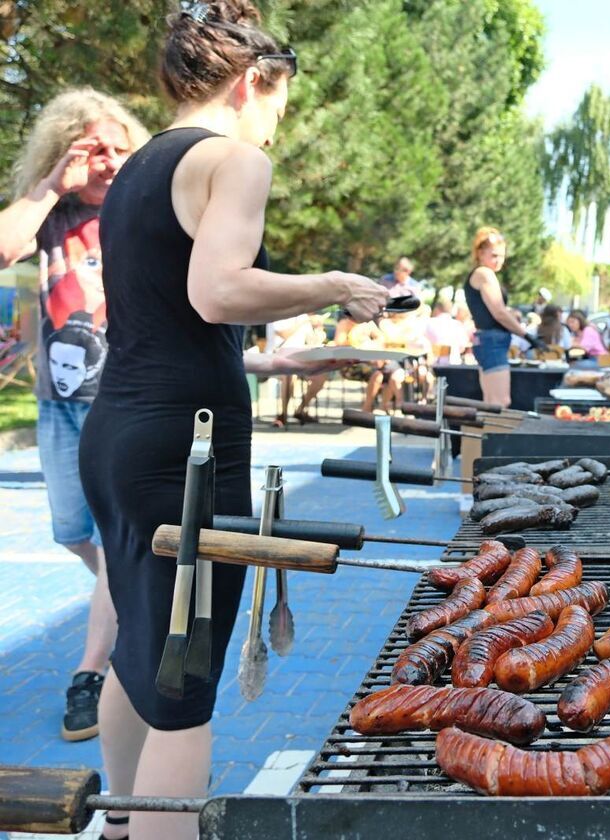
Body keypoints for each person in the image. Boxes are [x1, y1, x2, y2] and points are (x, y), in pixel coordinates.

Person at [79, 5, 389, 837]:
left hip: (117, 433)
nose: (275, 129)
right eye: (279, 106)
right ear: (253, 81)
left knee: (139, 648)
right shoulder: (233, 159)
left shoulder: (141, 164)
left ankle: (118, 824)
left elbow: (168, 323)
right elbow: (215, 291)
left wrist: (281, 363)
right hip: (183, 448)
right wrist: (332, 283)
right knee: (183, 683)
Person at [0, 88, 151, 743]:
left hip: (123, 398)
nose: (110, 161)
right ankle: (138, 596)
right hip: (58, 404)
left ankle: (90, 670)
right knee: (72, 532)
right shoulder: (49, 215)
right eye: (95, 151)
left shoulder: (140, 209)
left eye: (122, 149)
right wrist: (50, 181)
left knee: (116, 539)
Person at [464, 226, 543, 406]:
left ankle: (487, 434)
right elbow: (499, 312)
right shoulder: (485, 273)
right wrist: (527, 336)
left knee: (491, 401)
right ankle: (492, 434)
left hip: (488, 340)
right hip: (492, 341)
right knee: (499, 402)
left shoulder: (482, 274)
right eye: (494, 255)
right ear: (480, 253)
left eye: (501, 255)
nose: (499, 260)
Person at [426, 298, 468, 363]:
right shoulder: (458, 325)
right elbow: (462, 347)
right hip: (454, 363)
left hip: (434, 364)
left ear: (437, 309)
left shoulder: (429, 323)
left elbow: (423, 345)